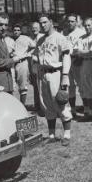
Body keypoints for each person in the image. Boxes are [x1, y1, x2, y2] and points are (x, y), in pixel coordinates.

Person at [36, 13, 72, 146]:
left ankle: (67, 134)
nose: (42, 25)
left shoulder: (60, 38)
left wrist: (65, 76)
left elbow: (66, 57)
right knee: (47, 105)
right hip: (43, 74)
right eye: (40, 23)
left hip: (56, 73)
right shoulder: (40, 40)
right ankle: (51, 135)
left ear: (51, 22)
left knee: (61, 102)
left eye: (45, 22)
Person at [0, 13, 28, 94]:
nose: (3, 28)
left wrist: (11, 55)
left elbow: (2, 57)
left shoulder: (1, 37)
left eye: (6, 25)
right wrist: (13, 60)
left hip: (7, 81)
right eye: (0, 24)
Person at [75, 17, 92, 120]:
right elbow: (78, 52)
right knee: (86, 87)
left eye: (89, 25)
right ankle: (91, 111)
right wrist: (87, 51)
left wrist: (85, 52)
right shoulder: (81, 38)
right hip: (85, 63)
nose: (87, 27)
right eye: (85, 25)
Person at [62, 13, 85, 118]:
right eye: (69, 21)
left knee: (82, 85)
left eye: (72, 21)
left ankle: (87, 107)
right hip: (67, 61)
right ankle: (73, 108)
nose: (70, 23)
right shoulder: (64, 32)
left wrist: (79, 55)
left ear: (76, 22)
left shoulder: (81, 32)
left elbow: (82, 48)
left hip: (78, 60)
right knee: (70, 86)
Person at [12, 24, 36, 105]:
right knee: (12, 86)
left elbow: (34, 46)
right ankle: (13, 106)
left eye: (18, 30)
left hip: (22, 62)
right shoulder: (9, 39)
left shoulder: (25, 38)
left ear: (21, 31)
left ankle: (22, 106)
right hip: (12, 64)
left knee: (23, 86)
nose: (16, 32)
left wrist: (27, 54)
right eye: (15, 30)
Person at [30, 22, 44, 111]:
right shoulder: (31, 38)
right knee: (35, 86)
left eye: (36, 27)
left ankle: (43, 107)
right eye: (33, 28)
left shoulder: (41, 37)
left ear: (39, 28)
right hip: (33, 65)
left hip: (41, 65)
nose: (34, 29)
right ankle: (37, 106)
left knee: (42, 87)